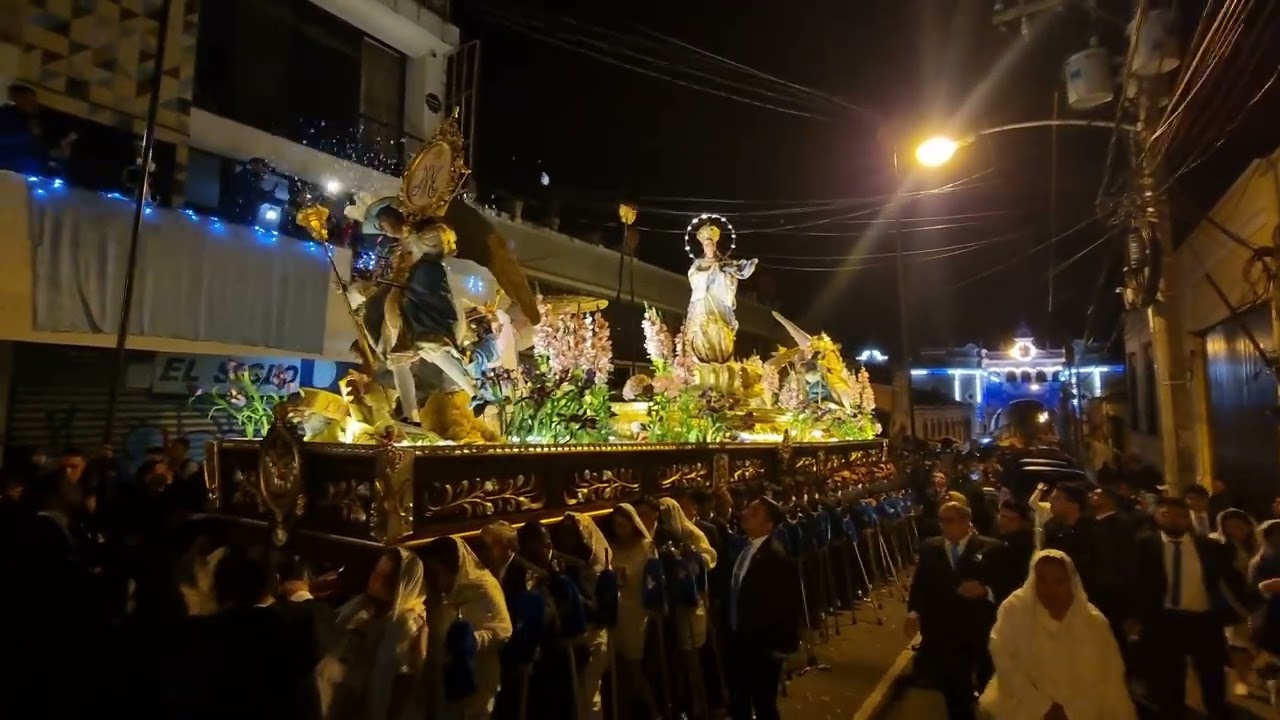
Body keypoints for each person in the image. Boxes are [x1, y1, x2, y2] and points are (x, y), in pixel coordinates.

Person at [980, 550, 1136, 720]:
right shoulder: (1015, 609)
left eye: (1059, 582)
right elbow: (1004, 661)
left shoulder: (1093, 622)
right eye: (1042, 579)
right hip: (1022, 707)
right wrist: (1043, 706)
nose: (1049, 589)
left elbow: (1109, 681)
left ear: (1071, 582)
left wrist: (1071, 712)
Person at [1130, 496, 1247, 719]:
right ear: (1156, 516)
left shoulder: (1210, 547)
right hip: (1164, 620)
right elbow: (1136, 583)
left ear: (1188, 519)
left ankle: (1218, 710)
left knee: (1211, 672)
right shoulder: (1144, 546)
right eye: (1167, 515)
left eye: (1181, 516)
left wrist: (1235, 612)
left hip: (1202, 619)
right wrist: (1137, 617)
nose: (1175, 521)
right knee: (1169, 675)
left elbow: (1230, 580)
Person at [905, 501, 1004, 720]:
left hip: (979, 628)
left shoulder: (991, 548)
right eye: (941, 521)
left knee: (988, 682)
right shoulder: (931, 548)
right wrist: (913, 612)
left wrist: (985, 591)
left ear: (966, 522)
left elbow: (1004, 585)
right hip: (945, 629)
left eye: (949, 521)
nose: (943, 526)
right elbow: (920, 582)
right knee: (954, 688)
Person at [316, 548, 428, 720]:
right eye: (376, 572)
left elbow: (398, 685)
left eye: (384, 578)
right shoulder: (364, 605)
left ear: (399, 584)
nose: (374, 580)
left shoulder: (405, 623)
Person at [419, 536, 513, 720]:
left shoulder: (483, 588)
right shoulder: (442, 595)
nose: (434, 580)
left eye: (438, 573)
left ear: (453, 570)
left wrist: (473, 640)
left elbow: (503, 629)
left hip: (478, 677)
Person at [725, 497, 799, 720]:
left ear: (768, 525)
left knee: (764, 704)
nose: (745, 513)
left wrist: (781, 647)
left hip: (762, 646)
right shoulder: (746, 548)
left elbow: (786, 604)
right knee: (739, 700)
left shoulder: (775, 557)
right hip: (739, 638)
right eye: (748, 508)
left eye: (754, 512)